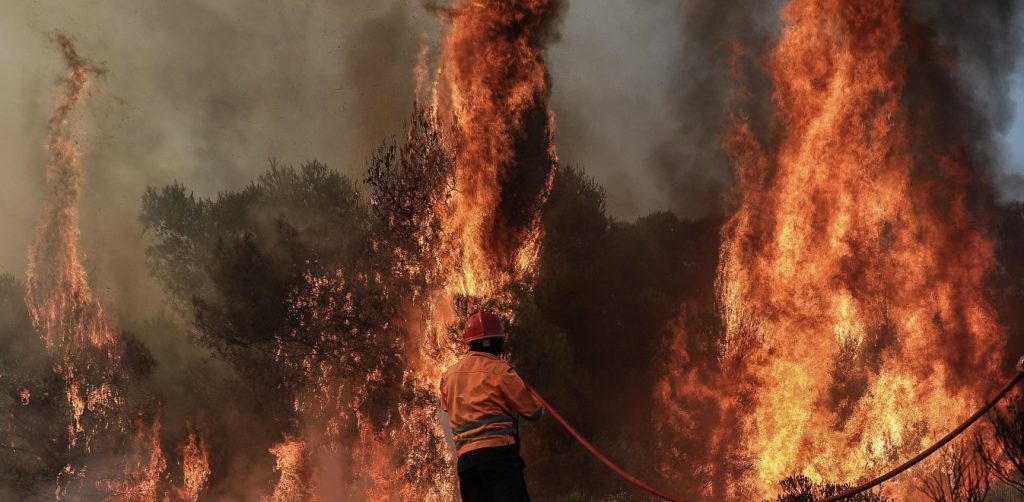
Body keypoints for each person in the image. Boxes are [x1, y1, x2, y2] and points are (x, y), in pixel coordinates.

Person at [440, 311, 544, 502]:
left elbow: (446, 406)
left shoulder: (449, 376)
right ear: (494, 341)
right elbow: (533, 411)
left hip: (467, 463)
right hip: (499, 457)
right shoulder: (501, 371)